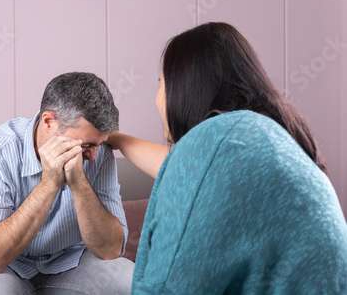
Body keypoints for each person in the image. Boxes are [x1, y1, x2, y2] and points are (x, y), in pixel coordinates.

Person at [107, 22, 347, 294]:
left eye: (161, 83)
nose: (157, 99)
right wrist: (114, 138)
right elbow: (178, 166)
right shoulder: (259, 140)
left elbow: (165, 287)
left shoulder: (212, 144)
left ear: (184, 87)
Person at [0, 72, 134, 294]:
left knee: (129, 281)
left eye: (99, 144)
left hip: (69, 260)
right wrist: (49, 184)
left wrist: (79, 182)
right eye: (85, 145)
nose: (93, 156)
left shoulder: (98, 153)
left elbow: (111, 250)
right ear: (49, 122)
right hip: (4, 267)